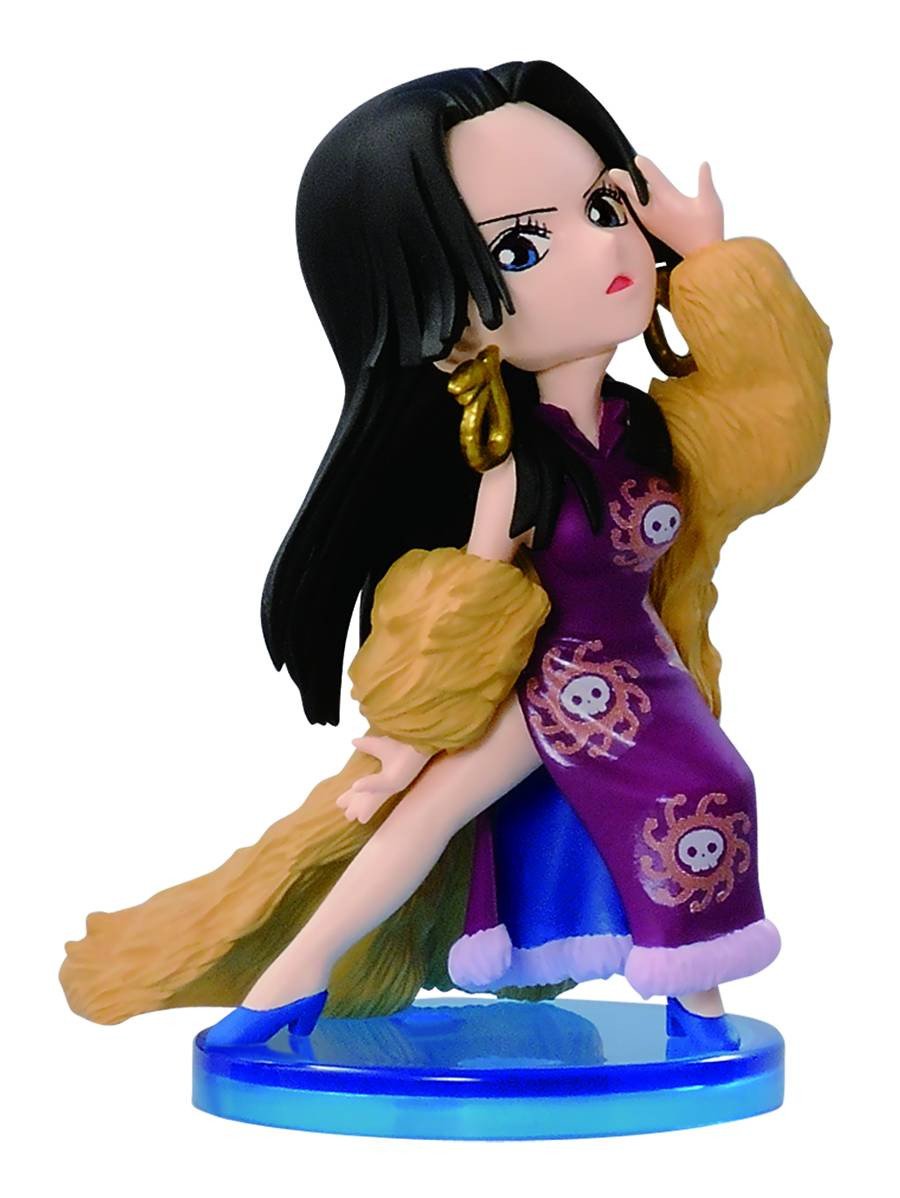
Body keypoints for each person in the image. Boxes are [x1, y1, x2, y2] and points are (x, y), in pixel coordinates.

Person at [59, 61, 830, 1052]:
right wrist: (409, 738)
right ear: (449, 320)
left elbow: (772, 434)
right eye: (521, 246)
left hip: (643, 673)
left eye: (604, 207)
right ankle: (290, 985)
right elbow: (469, 601)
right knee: (434, 815)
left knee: (697, 789)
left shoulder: (652, 431)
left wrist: (715, 261)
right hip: (552, 681)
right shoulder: (519, 464)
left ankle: (689, 1001)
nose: (605, 245)